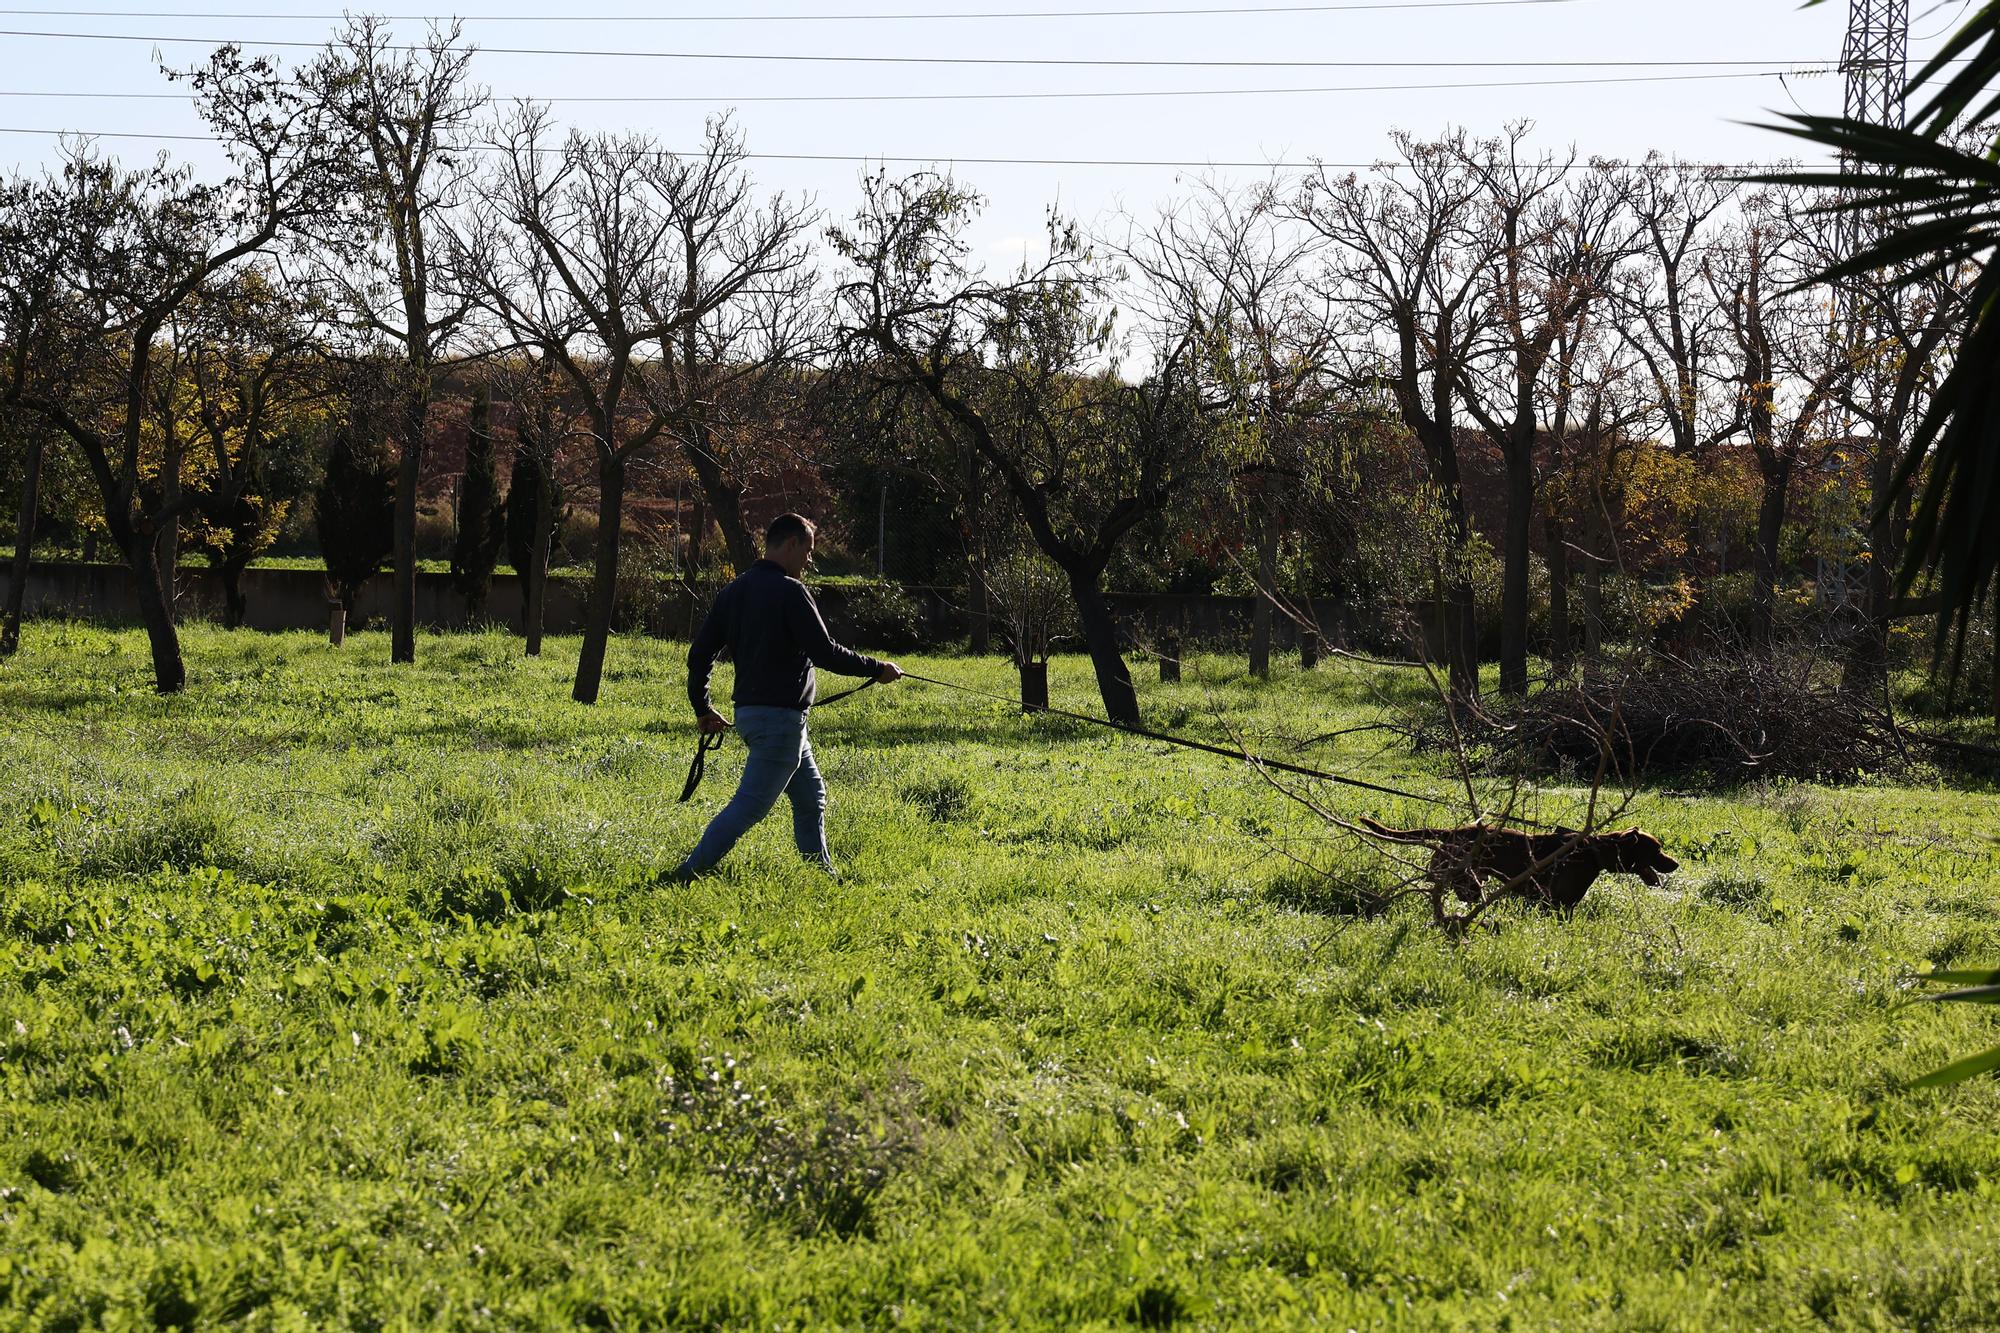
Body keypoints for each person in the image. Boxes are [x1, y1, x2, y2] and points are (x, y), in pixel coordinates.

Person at [671, 513, 902, 879]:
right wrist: (878, 668)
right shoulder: (792, 592)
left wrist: (702, 707)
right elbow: (826, 653)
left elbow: (699, 656)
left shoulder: (733, 592)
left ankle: (822, 876)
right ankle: (686, 873)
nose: (810, 560)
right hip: (780, 723)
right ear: (791, 544)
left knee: (812, 798)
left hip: (754, 716)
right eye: (808, 551)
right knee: (750, 806)